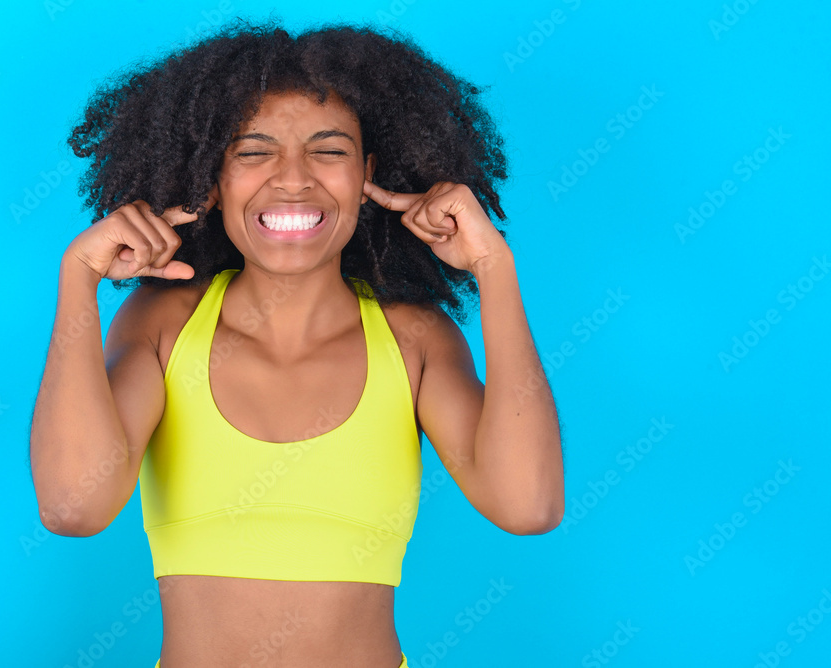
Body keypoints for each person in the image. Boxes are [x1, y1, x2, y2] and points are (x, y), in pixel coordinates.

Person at [29, 20, 564, 668]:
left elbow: (529, 504)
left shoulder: (412, 338)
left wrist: (494, 268)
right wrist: (77, 280)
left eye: (327, 150)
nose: (293, 178)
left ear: (368, 171)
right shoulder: (164, 323)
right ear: (213, 177)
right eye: (253, 151)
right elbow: (72, 505)